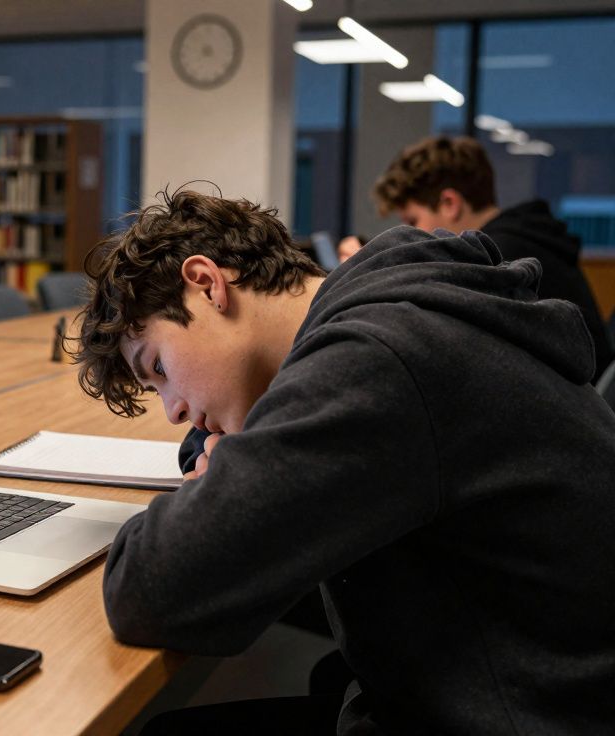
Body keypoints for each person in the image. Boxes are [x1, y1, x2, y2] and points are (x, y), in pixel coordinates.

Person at [70, 188, 615, 734]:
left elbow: (149, 590)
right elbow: (212, 449)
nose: (173, 410)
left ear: (207, 284)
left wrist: (209, 494)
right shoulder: (396, 309)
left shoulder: (376, 359)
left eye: (158, 367)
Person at [371, 135, 612, 377]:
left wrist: (369, 271)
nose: (412, 233)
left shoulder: (495, 259)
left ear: (449, 204)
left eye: (413, 221)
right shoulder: (526, 238)